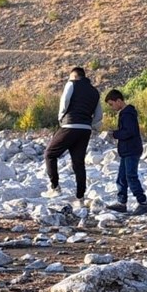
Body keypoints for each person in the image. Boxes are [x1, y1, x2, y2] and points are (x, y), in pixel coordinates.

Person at [43, 67, 101, 203]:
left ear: (74, 76)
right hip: (85, 129)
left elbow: (65, 102)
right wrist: (89, 124)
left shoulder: (71, 84)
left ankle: (55, 187)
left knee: (50, 154)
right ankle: (80, 197)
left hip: (70, 125)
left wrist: (61, 118)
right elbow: (99, 114)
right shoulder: (95, 91)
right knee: (78, 163)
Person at [104, 89, 147, 215]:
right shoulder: (125, 113)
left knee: (131, 176)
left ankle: (143, 203)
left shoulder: (128, 114)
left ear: (118, 101)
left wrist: (115, 134)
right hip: (127, 151)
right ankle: (121, 203)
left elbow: (129, 132)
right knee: (121, 177)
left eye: (111, 104)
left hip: (131, 150)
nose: (111, 107)